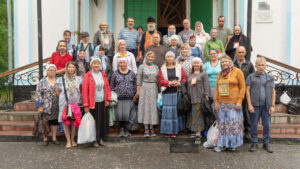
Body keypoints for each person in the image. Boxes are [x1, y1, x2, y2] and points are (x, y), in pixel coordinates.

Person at [214, 55, 245, 152]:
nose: (224, 63)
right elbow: (217, 89)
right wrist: (216, 102)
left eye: (226, 61)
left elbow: (243, 88)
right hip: (222, 104)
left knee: (232, 126)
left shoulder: (237, 72)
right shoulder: (220, 74)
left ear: (230, 62)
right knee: (222, 126)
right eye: (222, 62)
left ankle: (232, 145)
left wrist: (239, 101)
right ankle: (222, 144)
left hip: (234, 104)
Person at [246, 57, 275, 153]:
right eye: (259, 65)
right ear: (256, 66)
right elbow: (247, 91)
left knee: (267, 125)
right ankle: (254, 142)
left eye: (263, 65)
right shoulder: (251, 76)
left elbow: (273, 92)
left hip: (267, 106)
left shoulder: (270, 78)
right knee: (254, 125)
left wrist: (272, 105)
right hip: (255, 105)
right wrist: (249, 105)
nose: (261, 67)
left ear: (265, 66)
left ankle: (266, 143)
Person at [82, 57, 111, 147]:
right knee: (93, 122)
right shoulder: (88, 75)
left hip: (102, 101)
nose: (96, 65)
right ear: (91, 65)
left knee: (101, 121)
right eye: (94, 63)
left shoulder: (103, 74)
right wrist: (86, 105)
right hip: (92, 103)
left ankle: (100, 138)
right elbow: (84, 91)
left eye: (98, 63)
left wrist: (108, 99)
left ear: (100, 65)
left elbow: (107, 87)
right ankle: (94, 139)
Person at [158, 51, 187, 138]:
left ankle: (174, 131)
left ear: (173, 58)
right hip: (167, 92)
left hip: (177, 92)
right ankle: (167, 131)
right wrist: (170, 83)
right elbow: (160, 81)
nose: (169, 58)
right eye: (168, 57)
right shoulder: (162, 68)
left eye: (171, 56)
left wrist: (180, 83)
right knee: (167, 113)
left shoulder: (179, 67)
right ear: (165, 58)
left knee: (175, 112)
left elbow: (184, 78)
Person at [56, 62, 82, 149]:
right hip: (64, 103)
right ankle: (68, 141)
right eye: (69, 67)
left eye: (73, 67)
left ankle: (73, 140)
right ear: (66, 68)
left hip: (75, 104)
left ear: (75, 69)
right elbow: (58, 91)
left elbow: (80, 90)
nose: (71, 69)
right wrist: (63, 99)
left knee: (74, 122)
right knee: (65, 122)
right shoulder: (61, 79)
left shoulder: (79, 79)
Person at [134, 51, 159, 137]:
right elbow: (138, 80)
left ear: (154, 58)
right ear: (146, 57)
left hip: (153, 88)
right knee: (145, 107)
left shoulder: (156, 67)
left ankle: (152, 128)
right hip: (144, 87)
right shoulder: (141, 67)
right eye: (149, 56)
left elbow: (158, 79)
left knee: (152, 108)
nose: (150, 58)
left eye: (152, 57)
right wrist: (138, 91)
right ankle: (146, 128)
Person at [110, 58, 137, 137]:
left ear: (127, 63)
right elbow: (112, 85)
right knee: (120, 114)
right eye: (121, 63)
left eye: (124, 62)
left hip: (129, 97)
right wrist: (113, 94)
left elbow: (135, 84)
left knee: (128, 114)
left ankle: (127, 129)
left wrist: (135, 94)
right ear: (119, 64)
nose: (122, 64)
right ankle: (121, 128)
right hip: (119, 97)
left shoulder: (132, 73)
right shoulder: (115, 73)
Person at [35, 64, 60, 146]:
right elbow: (38, 94)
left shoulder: (59, 80)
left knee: (54, 121)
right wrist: (39, 106)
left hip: (57, 105)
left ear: (55, 71)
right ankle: (45, 138)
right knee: (45, 122)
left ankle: (54, 137)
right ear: (47, 71)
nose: (52, 71)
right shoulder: (42, 81)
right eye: (50, 70)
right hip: (46, 105)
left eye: (53, 70)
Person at [234, 46, 255, 140]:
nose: (241, 54)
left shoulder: (249, 64)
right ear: (236, 53)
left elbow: (253, 78)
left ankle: (248, 131)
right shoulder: (232, 64)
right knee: (236, 112)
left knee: (246, 112)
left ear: (245, 53)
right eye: (239, 52)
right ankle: (237, 131)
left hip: (246, 92)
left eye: (242, 52)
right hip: (235, 92)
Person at [187, 58, 210, 140]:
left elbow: (206, 84)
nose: (196, 64)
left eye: (197, 63)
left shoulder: (203, 74)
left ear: (200, 64)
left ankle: (198, 132)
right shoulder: (190, 74)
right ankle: (194, 130)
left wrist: (207, 95)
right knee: (193, 114)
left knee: (199, 115)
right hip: (191, 97)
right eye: (194, 63)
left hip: (200, 97)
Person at [176, 44, 194, 131]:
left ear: (189, 50)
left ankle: (189, 126)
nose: (184, 51)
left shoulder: (193, 59)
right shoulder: (177, 59)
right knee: (181, 104)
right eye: (182, 49)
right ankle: (181, 126)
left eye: (186, 49)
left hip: (191, 85)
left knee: (189, 104)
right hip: (180, 86)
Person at [203, 48, 222, 117]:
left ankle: (219, 122)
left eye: (214, 53)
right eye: (211, 54)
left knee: (219, 105)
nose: (213, 55)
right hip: (209, 88)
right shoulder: (206, 65)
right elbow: (202, 76)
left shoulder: (222, 63)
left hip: (220, 88)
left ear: (217, 54)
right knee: (211, 105)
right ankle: (212, 122)